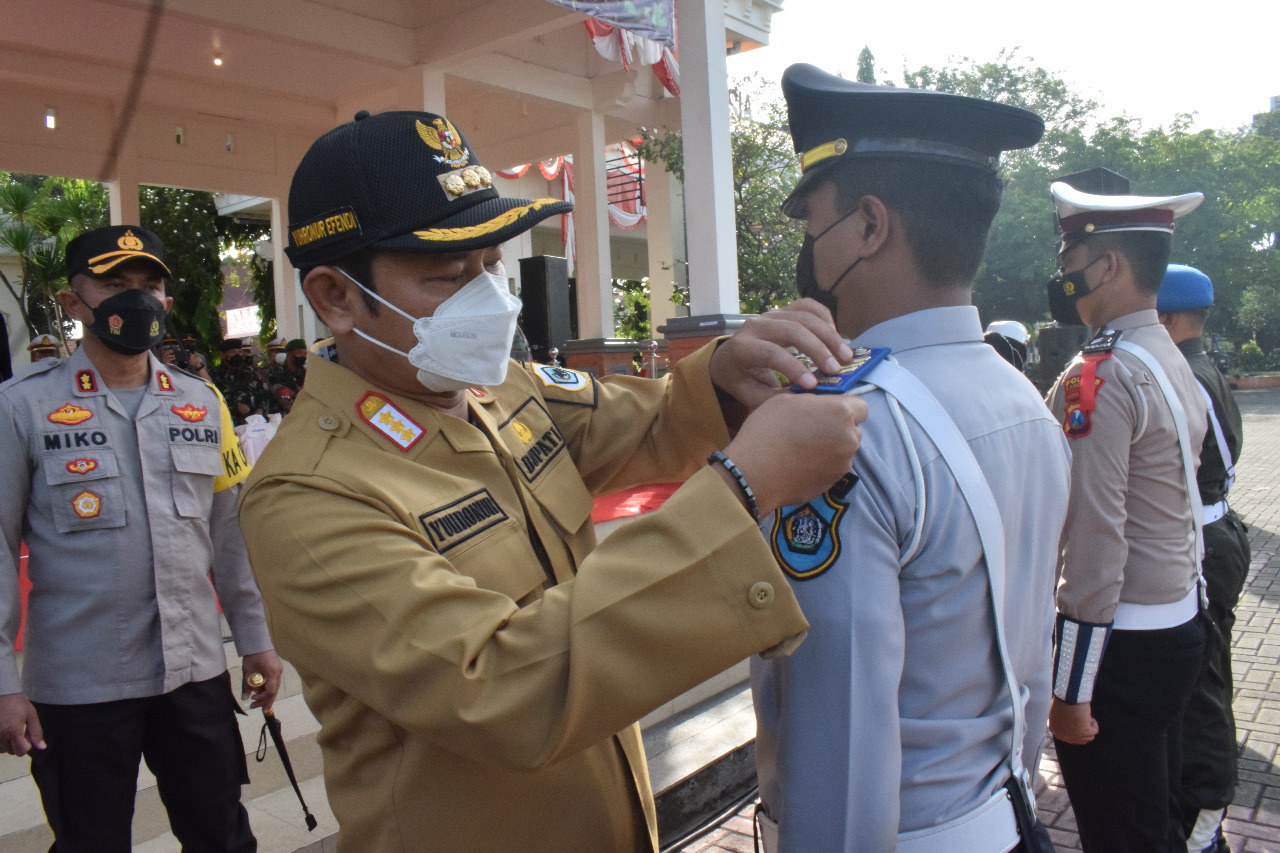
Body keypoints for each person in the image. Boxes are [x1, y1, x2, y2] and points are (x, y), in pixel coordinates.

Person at [235, 109, 869, 853]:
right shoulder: (309, 496)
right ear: (335, 297)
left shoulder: (501, 388)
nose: (489, 299)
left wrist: (724, 378)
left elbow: (650, 424)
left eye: (492, 265)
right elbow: (500, 686)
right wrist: (739, 488)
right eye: (447, 275)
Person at [749, 64, 1072, 852]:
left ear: (868, 226)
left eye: (811, 224)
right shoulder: (1027, 401)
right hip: (1002, 817)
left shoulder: (848, 426)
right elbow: (1030, 660)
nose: (808, 252)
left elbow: (843, 739)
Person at [0, 225, 283, 851]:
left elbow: (230, 533)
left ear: (167, 300)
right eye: (114, 285)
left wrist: (257, 639)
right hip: (80, 687)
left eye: (149, 285)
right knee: (90, 840)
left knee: (222, 835)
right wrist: (3, 683)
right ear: (74, 302)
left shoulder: (201, 402)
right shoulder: (20, 408)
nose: (137, 299)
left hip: (194, 674)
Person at [1045, 183, 1210, 852]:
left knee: (1122, 832)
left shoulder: (1101, 373)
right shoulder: (1169, 354)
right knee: (1155, 812)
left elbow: (1094, 537)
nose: (1063, 273)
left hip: (1121, 645)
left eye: (1070, 255)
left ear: (1107, 265)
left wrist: (1071, 687)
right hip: (1177, 617)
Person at [1158, 263, 1248, 853]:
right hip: (1219, 534)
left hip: (1204, 540)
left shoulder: (1184, 374)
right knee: (1207, 667)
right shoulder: (1200, 363)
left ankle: (1205, 814)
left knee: (1201, 683)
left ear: (1163, 317)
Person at [212, 337, 270, 425]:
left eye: (239, 352)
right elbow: (214, 399)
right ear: (223, 355)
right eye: (233, 352)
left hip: (254, 421)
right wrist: (235, 406)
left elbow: (261, 395)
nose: (237, 355)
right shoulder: (215, 374)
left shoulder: (249, 371)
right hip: (228, 422)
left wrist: (259, 411)